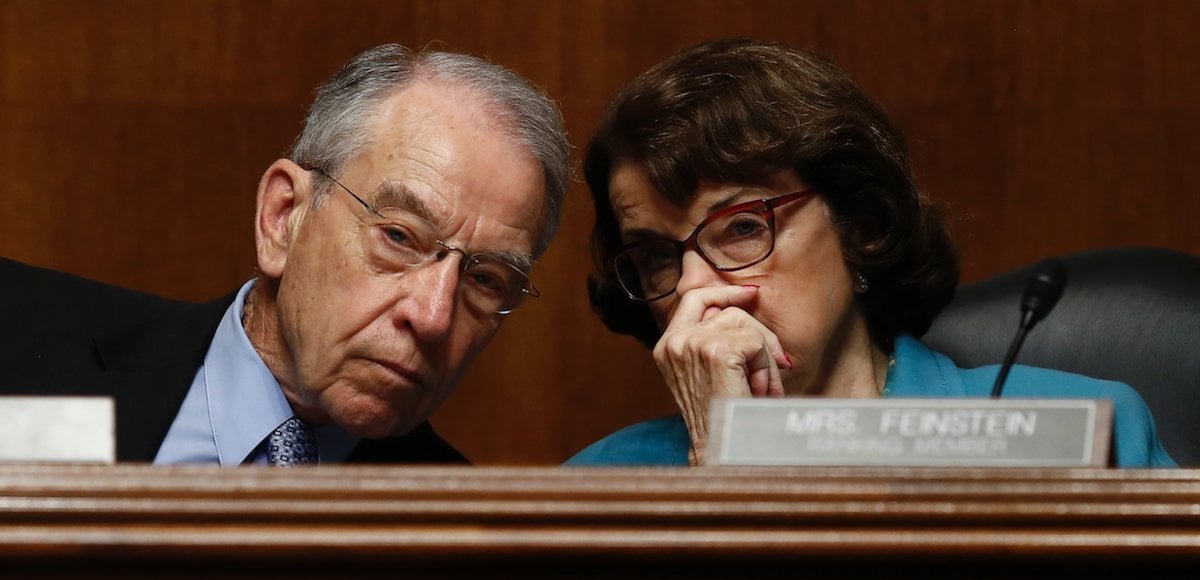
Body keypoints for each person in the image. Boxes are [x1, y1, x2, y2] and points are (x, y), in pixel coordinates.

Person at [565, 37, 1175, 468]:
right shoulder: (597, 483)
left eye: (743, 227)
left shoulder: (1096, 431)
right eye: (656, 257)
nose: (694, 291)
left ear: (862, 226)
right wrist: (720, 463)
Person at [0, 43, 569, 465]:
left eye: (486, 279)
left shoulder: (465, 538)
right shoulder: (21, 341)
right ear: (282, 217)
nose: (432, 316)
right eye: (398, 237)